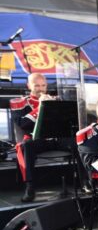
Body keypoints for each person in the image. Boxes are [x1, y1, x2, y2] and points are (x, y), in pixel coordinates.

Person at [11, 73, 75, 202]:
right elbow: (23, 123)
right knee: (26, 146)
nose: (41, 88)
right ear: (28, 85)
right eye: (37, 85)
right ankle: (30, 188)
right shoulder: (19, 102)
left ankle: (87, 182)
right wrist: (41, 106)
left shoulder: (57, 99)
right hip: (36, 140)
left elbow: (68, 120)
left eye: (43, 85)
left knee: (80, 142)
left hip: (57, 138)